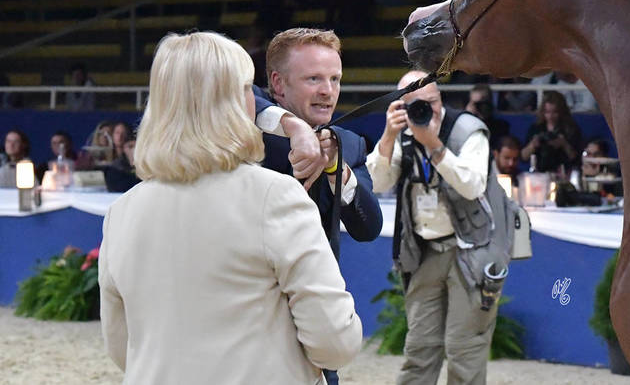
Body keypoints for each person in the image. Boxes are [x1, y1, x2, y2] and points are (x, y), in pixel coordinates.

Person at [98, 32, 362, 383]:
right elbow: (335, 342)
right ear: (237, 101)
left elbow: (123, 346)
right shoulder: (275, 196)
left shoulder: (122, 212)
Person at [366, 70, 516, 385]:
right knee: (420, 348)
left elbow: (472, 186)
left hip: (472, 251)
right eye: (415, 104)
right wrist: (388, 137)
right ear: (400, 106)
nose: (426, 111)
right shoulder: (401, 132)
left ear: (440, 98)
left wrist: (433, 145)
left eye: (431, 102)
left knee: (465, 349)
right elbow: (379, 182)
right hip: (424, 251)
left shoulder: (468, 131)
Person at [255, 28, 382, 264]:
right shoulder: (248, 122)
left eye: (335, 79)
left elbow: (369, 229)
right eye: (313, 78)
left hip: (314, 289)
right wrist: (293, 126)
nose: (327, 91)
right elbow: (235, 95)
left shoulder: (348, 144)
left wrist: (336, 168)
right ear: (278, 83)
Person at [521, 91, 582, 173]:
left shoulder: (570, 129)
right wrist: (532, 145)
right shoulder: (536, 128)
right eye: (547, 112)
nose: (551, 116)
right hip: (540, 171)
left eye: (555, 112)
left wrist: (564, 144)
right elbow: (523, 157)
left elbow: (576, 158)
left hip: (563, 171)